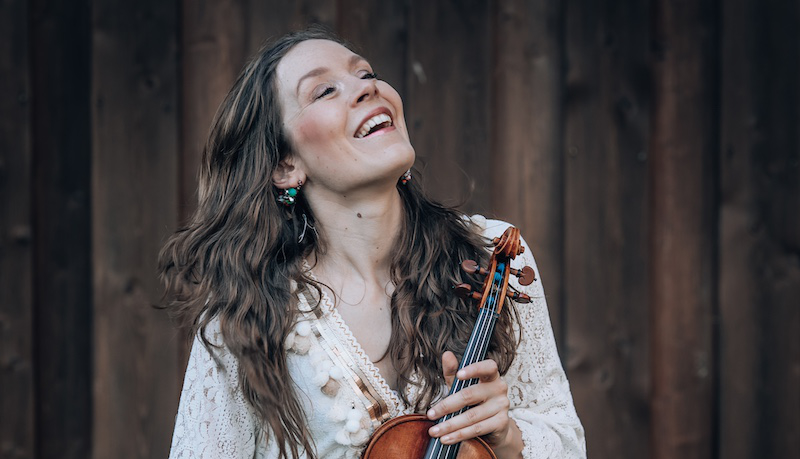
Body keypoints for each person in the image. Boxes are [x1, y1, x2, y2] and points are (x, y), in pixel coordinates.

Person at [160, 28, 585, 459]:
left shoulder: (490, 253)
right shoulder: (244, 309)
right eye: (325, 90)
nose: (367, 88)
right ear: (286, 165)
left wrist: (508, 438)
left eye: (367, 73)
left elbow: (566, 440)